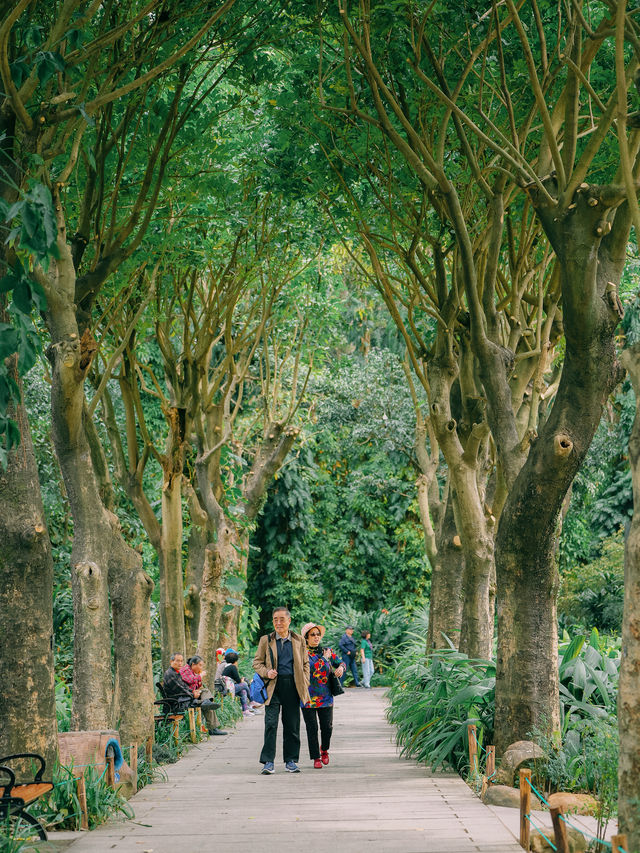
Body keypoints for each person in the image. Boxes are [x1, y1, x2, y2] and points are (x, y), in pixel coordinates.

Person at [253, 606, 310, 775]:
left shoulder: (299, 640)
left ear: (289, 620)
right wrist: (267, 672)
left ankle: (291, 761)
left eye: (282, 619)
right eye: (275, 619)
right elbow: (257, 663)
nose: (278, 622)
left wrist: (304, 681)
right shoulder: (266, 640)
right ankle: (268, 762)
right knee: (270, 724)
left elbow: (306, 664)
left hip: (293, 686)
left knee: (292, 725)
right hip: (273, 687)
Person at [299, 622, 344, 769]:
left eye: (318, 634)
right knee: (312, 728)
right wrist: (324, 659)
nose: (316, 637)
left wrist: (341, 668)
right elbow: (310, 670)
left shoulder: (327, 651)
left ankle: (324, 749)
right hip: (307, 697)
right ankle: (316, 757)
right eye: (313, 634)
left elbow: (341, 662)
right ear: (306, 638)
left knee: (327, 727)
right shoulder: (302, 653)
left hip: (325, 697)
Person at [162, 652, 227, 736]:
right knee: (206, 703)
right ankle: (212, 728)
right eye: (177, 661)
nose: (180, 663)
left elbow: (184, 687)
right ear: (171, 661)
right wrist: (193, 694)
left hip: (183, 698)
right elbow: (181, 689)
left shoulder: (175, 673)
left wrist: (193, 692)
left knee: (205, 696)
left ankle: (206, 704)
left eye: (181, 661)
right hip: (179, 702)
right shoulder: (171, 674)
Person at [222, 649, 253, 715]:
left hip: (227, 688)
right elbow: (238, 680)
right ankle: (252, 700)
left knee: (243, 691)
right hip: (229, 689)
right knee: (244, 684)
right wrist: (242, 680)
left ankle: (245, 710)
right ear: (235, 661)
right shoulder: (233, 667)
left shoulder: (227, 667)